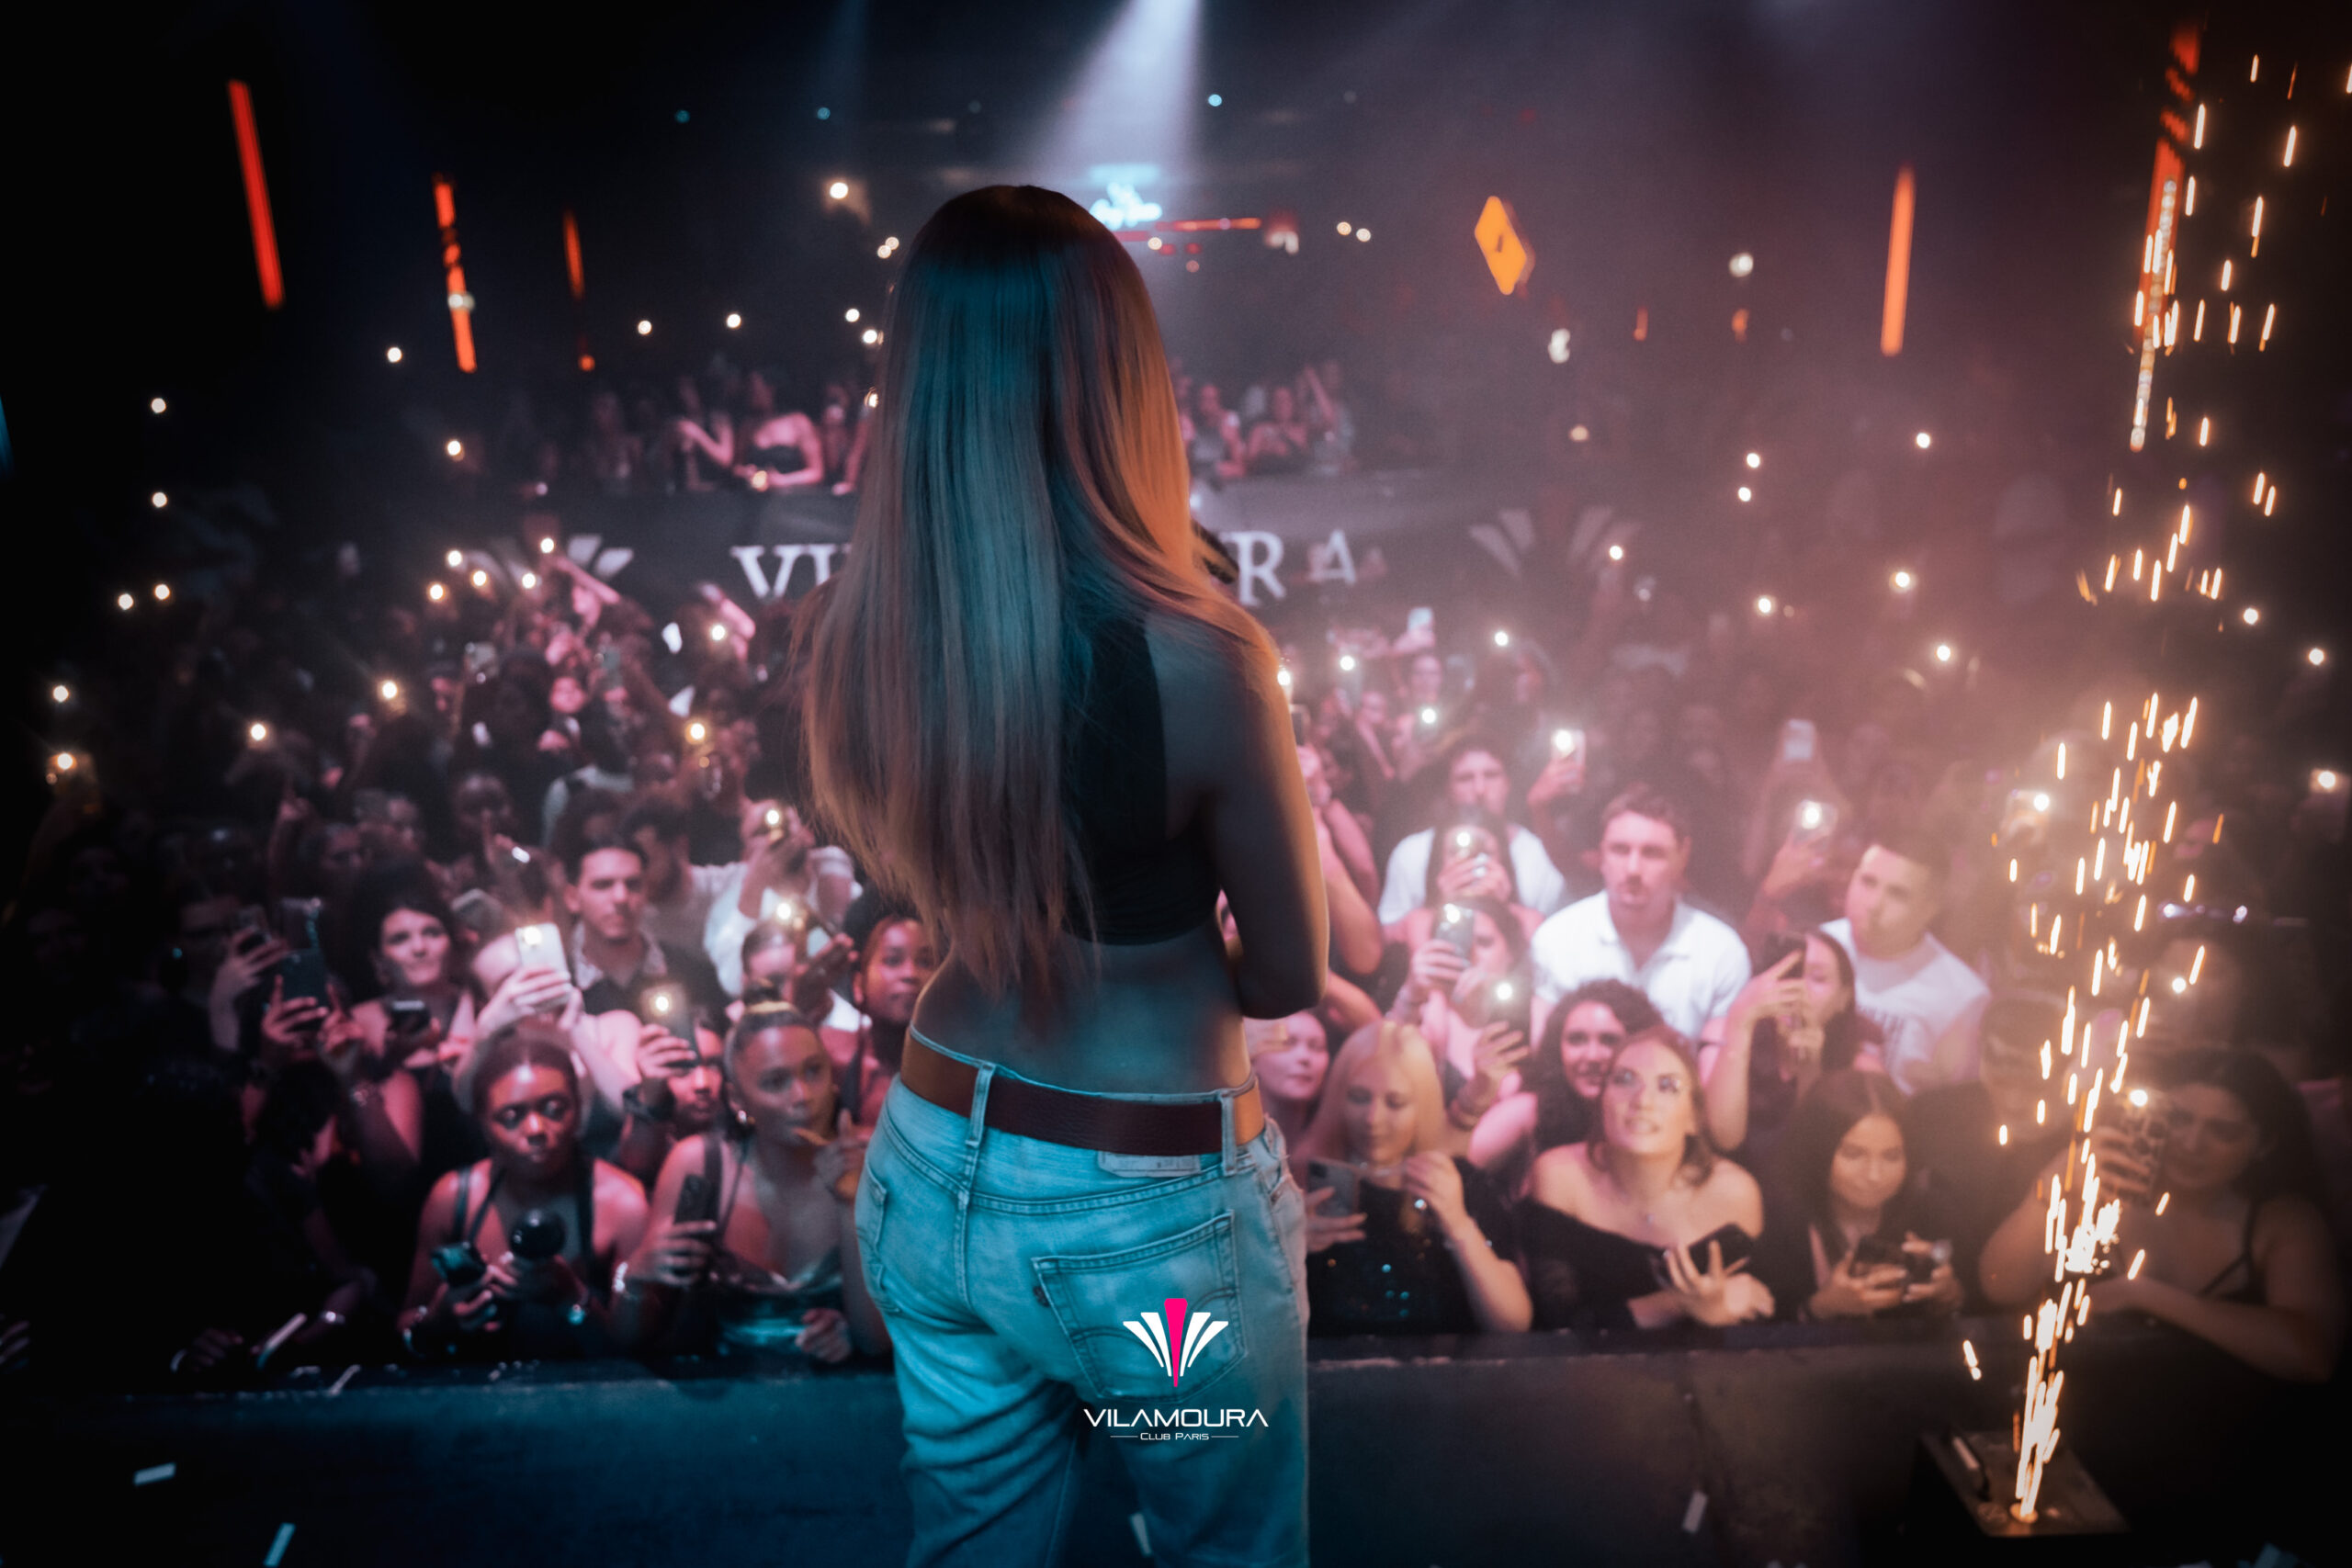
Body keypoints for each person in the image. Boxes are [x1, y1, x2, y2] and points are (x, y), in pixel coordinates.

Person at [800, 186, 1324, 1568]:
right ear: (1117, 377)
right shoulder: (1204, 657)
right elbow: (1287, 972)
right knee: (1225, 1554)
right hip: (1148, 1226)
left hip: (930, 1158)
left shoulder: (869, 632)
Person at [1979, 1049, 2344, 1383]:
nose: (2191, 1144)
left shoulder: (2280, 1221)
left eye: (2223, 1131)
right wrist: (2052, 1184)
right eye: (2179, 1119)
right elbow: (2000, 1286)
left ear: (2264, 1144)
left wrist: (2144, 1295)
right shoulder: (2099, 1189)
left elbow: (2312, 1356)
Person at [616, 1005, 888, 1362]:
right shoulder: (700, 1164)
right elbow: (633, 1338)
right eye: (776, 1082)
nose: (803, 1095)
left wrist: (850, 1205)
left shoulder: (874, 1158)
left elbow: (876, 1343)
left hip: (838, 1392)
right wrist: (635, 1278)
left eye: (813, 1071)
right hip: (724, 1390)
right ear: (737, 1100)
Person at [395, 1022, 650, 1361]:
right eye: (511, 1116)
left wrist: (570, 1296)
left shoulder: (622, 1204)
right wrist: (438, 1321)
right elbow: (405, 1325)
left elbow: (638, 1351)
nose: (536, 1129)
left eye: (554, 1109)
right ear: (484, 1125)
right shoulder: (454, 1198)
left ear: (579, 1110)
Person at [1517, 1025, 1773, 1331]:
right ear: (1602, 1102)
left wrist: (1717, 1316)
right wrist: (1676, 1304)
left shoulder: (1733, 1194)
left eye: (1667, 1086)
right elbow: (1554, 1326)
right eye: (1625, 1080)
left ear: (1694, 1117)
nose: (1642, 1101)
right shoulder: (1560, 1175)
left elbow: (1759, 1312)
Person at [1288, 1022, 1530, 1336]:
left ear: (1422, 1106)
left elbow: (1513, 1324)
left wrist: (1458, 1224)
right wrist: (1285, 1254)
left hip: (1438, 1367)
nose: (1373, 1119)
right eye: (1359, 1098)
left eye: (1395, 1102)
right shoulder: (1302, 1186)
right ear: (1338, 1100)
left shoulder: (1459, 1183)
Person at [1529, 786, 1751, 1041]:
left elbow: (1721, 1064)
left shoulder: (1721, 953)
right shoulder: (1556, 940)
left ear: (1682, 856)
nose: (1633, 869)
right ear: (1602, 855)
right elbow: (1545, 1058)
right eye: (1620, 850)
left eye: (1652, 853)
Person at [1904, 993, 2074, 1308]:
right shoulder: (1930, 1114)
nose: (2013, 1101)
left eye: (2034, 1086)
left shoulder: (2077, 1142)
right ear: (1980, 1051)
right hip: (1928, 1306)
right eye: (2001, 1080)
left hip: (2031, 1315)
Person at [1753, 1071, 1962, 1322]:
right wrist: (1822, 1307)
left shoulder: (1932, 1214)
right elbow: (1756, 1336)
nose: (1874, 1175)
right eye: (1854, 1154)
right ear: (1817, 1151)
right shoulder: (1776, 1221)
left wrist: (1947, 1294)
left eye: (1891, 1156)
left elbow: (1973, 1313)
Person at [1820, 833, 1988, 1094]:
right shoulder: (1816, 946)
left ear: (1929, 909)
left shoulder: (1961, 997)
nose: (1874, 904)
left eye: (1897, 894)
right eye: (1868, 882)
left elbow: (1952, 1106)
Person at [1468, 979, 1662, 1197]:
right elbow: (1452, 1170)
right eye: (1576, 1040)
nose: (1592, 1056)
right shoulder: (1531, 1109)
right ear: (1557, 1048)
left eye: (1609, 1040)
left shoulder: (1656, 1116)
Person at [1702, 930, 1884, 1156]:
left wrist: (1810, 1070)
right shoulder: (1723, 1033)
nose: (1798, 989)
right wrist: (1740, 1022)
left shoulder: (1860, 1070)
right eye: (1791, 973)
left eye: (1818, 978)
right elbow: (1724, 1137)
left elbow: (1816, 1157)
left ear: (1843, 999)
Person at [1377, 739, 1568, 929]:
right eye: (1465, 778)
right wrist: (1438, 907)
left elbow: (1557, 936)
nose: (1479, 790)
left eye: (1491, 775)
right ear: (1448, 788)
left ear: (1507, 784)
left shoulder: (1540, 856)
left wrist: (1504, 912)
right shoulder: (1411, 854)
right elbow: (1387, 933)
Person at [560, 833, 727, 1024]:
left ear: (646, 892)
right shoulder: (560, 986)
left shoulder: (693, 975)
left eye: (633, 885)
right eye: (603, 885)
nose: (621, 897)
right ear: (572, 898)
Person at [1247, 1010, 1332, 1145]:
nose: (1304, 1057)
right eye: (1287, 1043)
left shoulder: (1334, 1144)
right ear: (1252, 1058)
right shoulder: (1228, 1140)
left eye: (1316, 1047)